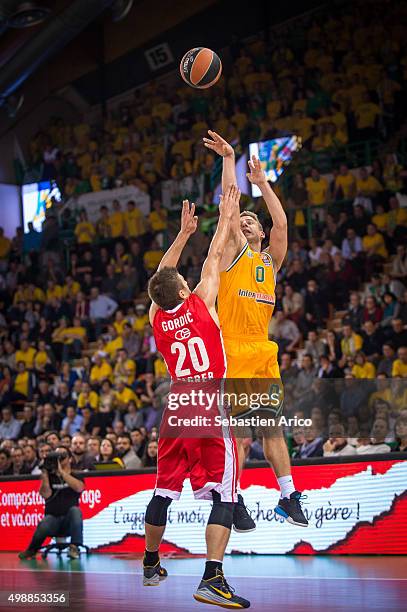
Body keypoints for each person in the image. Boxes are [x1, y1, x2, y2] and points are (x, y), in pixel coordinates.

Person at [145, 187, 249, 608]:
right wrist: (223, 219)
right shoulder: (203, 303)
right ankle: (213, 578)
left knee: (164, 490)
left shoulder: (157, 318)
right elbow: (213, 259)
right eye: (186, 283)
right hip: (209, 403)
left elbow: (160, 280)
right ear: (186, 292)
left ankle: (151, 561)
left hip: (176, 407)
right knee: (225, 493)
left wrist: (181, 236)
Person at [204, 130, 307, 530]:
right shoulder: (231, 253)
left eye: (252, 221)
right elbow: (230, 209)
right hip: (231, 350)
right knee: (241, 436)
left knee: (272, 430)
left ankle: (289, 495)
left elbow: (280, 222)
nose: (245, 222)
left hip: (262, 351)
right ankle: (233, 498)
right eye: (242, 220)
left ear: (260, 234)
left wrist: (263, 183)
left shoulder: (270, 261)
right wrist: (230, 161)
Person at [18, 447, 85, 560]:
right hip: (53, 520)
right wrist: (45, 475)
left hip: (70, 523)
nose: (59, 460)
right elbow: (46, 495)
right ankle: (32, 550)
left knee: (75, 511)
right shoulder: (49, 477)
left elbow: (79, 488)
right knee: (45, 521)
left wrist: (62, 473)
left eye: (62, 456)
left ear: (70, 459)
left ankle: (74, 548)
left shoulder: (76, 475)